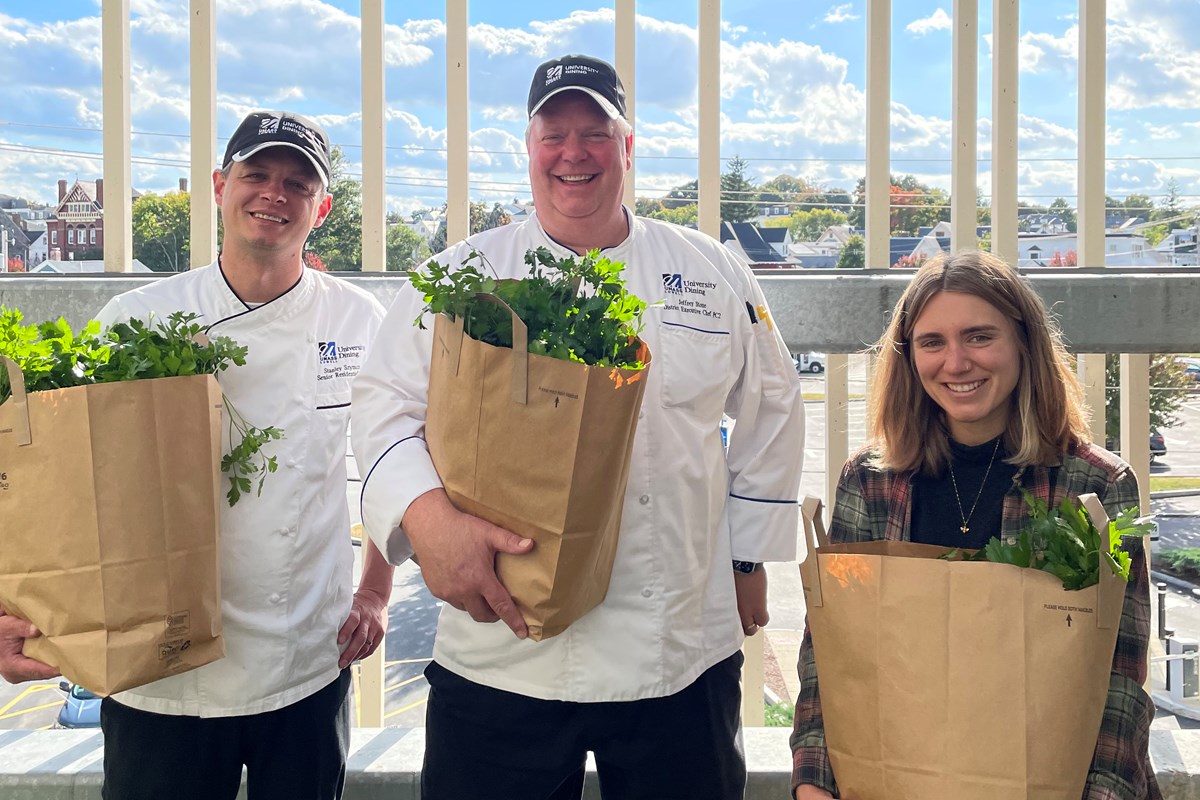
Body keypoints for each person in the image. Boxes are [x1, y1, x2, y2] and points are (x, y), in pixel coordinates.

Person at [352, 54, 805, 799]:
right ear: (527, 150)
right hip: (501, 650)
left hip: (678, 650)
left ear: (626, 148)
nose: (573, 153)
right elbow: (381, 410)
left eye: (595, 132)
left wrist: (746, 560)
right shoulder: (461, 276)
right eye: (553, 134)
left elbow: (774, 406)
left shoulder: (709, 269)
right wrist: (428, 521)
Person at [0, 110, 394, 800]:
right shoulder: (136, 318)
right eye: (257, 174)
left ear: (322, 208)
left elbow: (391, 465)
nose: (275, 193)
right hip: (161, 676)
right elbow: (62, 484)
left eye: (298, 184)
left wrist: (375, 591)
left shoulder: (359, 320)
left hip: (306, 662)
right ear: (219, 185)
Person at [789, 250, 1159, 799]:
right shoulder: (868, 481)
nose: (955, 363)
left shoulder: (1095, 486)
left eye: (980, 336)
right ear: (908, 357)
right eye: (931, 342)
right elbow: (832, 655)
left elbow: (1119, 682)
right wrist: (813, 782)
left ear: (1024, 344)